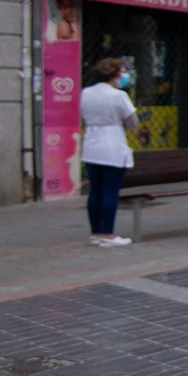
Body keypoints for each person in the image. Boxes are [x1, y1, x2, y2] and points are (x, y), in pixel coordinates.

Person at [79, 57, 138, 247]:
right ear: (114, 74)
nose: (124, 75)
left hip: (91, 145)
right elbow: (132, 122)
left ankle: (96, 232)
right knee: (111, 190)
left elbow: (82, 117)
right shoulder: (119, 95)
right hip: (112, 144)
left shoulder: (86, 93)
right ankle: (108, 234)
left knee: (95, 190)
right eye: (121, 72)